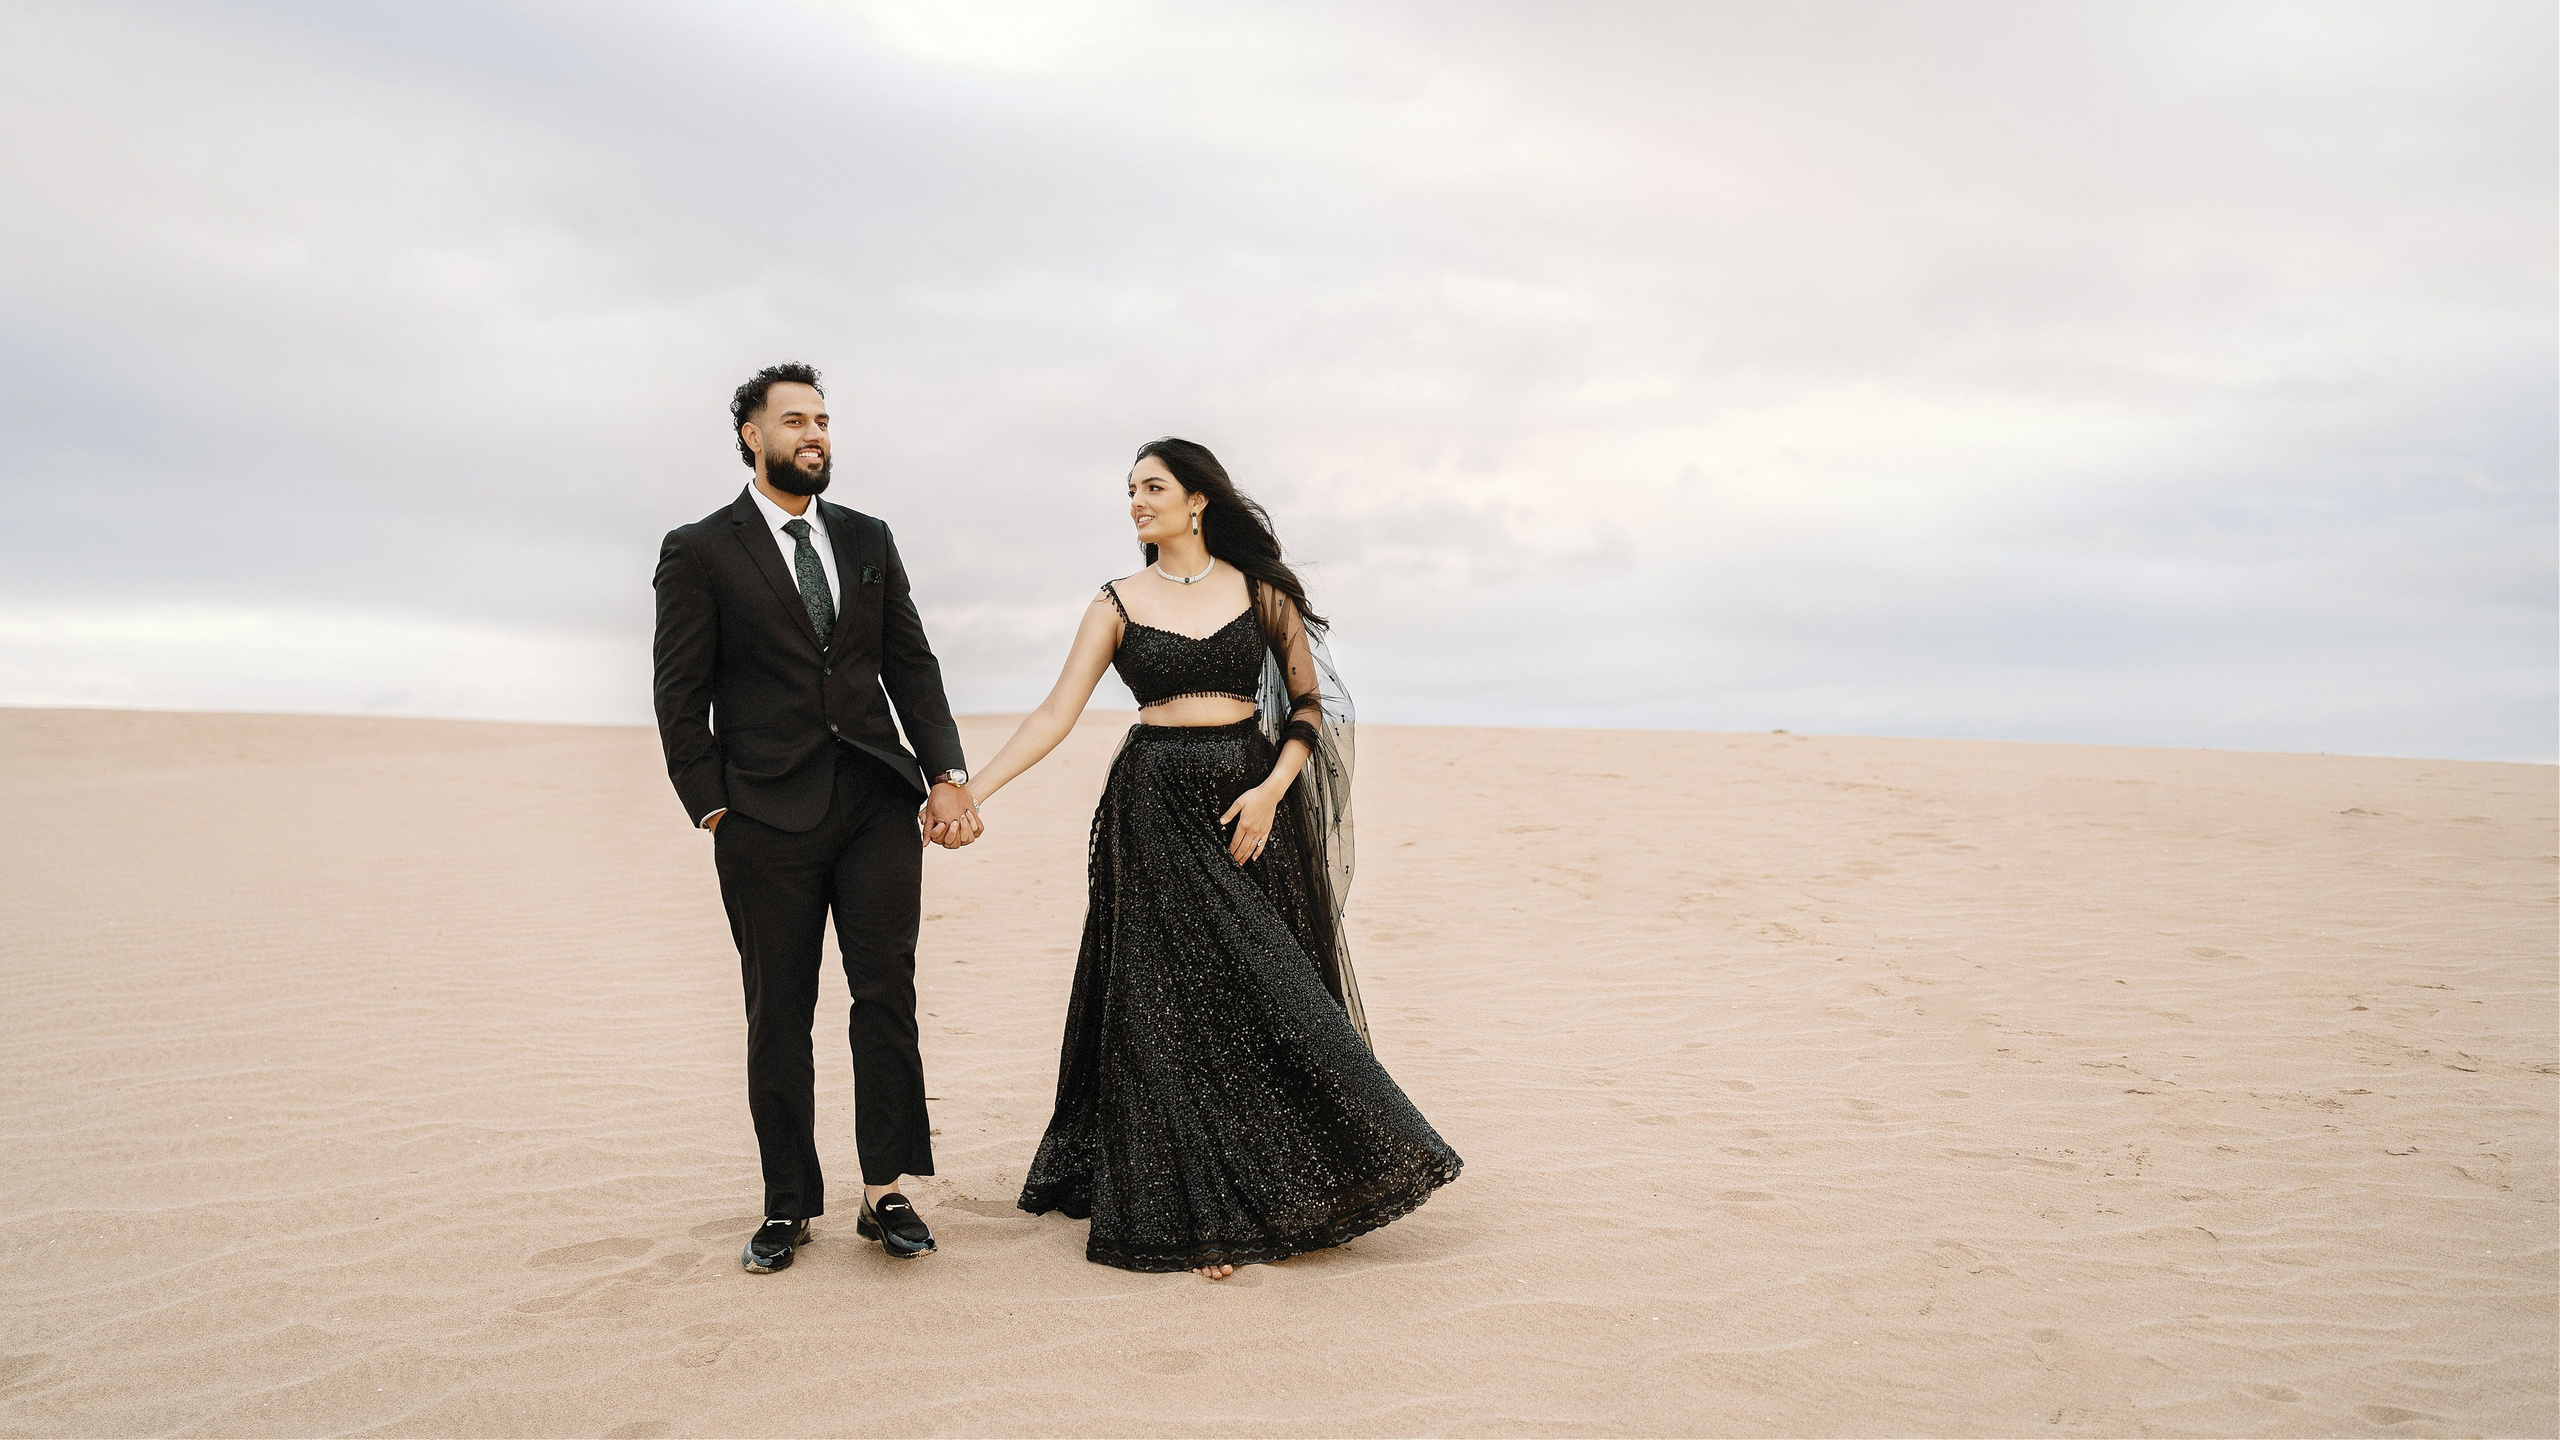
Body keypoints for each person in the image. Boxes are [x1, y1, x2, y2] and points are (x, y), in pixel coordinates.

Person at [962, 437, 1461, 1279]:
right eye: (1129, 491)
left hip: (1246, 810)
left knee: (1269, 992)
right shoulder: (1115, 602)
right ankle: (1196, 1212)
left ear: (1198, 501)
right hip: (1149, 809)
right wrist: (975, 790)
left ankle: (1300, 1177)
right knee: (1160, 1008)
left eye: (1152, 487)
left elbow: (1309, 706)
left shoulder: (1262, 593)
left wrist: (1270, 792)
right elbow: (1055, 713)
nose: (1136, 503)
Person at [651, 362, 984, 1275]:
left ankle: (886, 1191)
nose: (816, 435)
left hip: (877, 799)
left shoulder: (868, 537)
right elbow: (679, 695)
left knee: (886, 995)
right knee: (778, 1013)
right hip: (763, 813)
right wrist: (713, 805)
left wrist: (946, 773)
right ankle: (787, 1203)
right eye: (795, 420)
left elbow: (910, 664)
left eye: (825, 420)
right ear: (751, 436)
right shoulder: (700, 549)